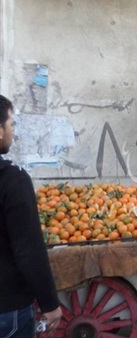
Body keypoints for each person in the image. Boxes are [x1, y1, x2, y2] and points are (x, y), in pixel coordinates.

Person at [0, 95, 62, 337]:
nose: (13, 132)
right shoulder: (13, 180)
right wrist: (50, 303)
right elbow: (28, 250)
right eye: (11, 124)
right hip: (8, 309)